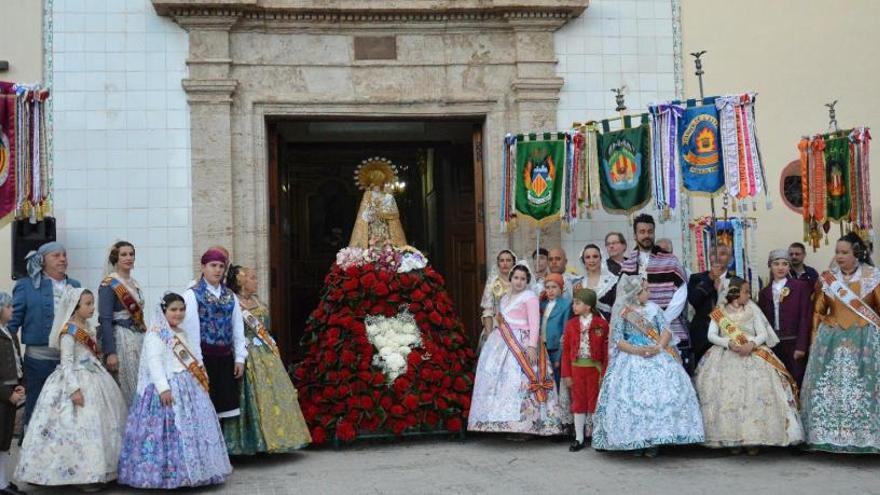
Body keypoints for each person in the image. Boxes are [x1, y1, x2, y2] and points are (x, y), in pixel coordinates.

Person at [15, 288, 127, 488]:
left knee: (99, 426)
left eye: (93, 303)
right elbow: (66, 363)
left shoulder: (88, 326)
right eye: (88, 304)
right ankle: (76, 475)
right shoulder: (69, 332)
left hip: (95, 377)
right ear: (75, 307)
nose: (92, 308)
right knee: (75, 428)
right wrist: (74, 389)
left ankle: (99, 471)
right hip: (74, 380)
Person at [118, 293, 231, 489]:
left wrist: (202, 374)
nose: (178, 313)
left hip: (188, 385)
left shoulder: (183, 332)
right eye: (173, 309)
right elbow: (154, 362)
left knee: (193, 429)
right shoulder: (155, 333)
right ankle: (166, 476)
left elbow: (195, 356)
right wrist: (163, 388)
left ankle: (196, 471)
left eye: (181, 309)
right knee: (167, 432)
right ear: (164, 311)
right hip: (166, 388)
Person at [591, 275, 704, 456]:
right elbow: (618, 340)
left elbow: (666, 331)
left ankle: (654, 441)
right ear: (636, 293)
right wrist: (637, 351)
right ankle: (635, 440)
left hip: (657, 353)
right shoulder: (624, 312)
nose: (649, 292)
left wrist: (658, 347)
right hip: (631, 356)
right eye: (646, 290)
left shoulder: (654, 309)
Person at [694, 277, 804, 454]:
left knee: (756, 395)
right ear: (735, 293)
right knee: (727, 397)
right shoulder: (719, 312)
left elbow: (762, 333)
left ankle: (753, 439)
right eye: (745, 291)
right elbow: (711, 335)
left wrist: (751, 344)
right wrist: (728, 343)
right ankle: (733, 440)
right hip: (726, 354)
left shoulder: (752, 309)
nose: (748, 295)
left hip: (753, 353)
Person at [801, 232, 880, 453]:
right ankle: (825, 437)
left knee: (864, 389)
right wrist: (814, 341)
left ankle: (867, 439)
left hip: (865, 340)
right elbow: (818, 312)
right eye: (837, 252)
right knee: (830, 389)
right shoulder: (828, 279)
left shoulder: (873, 277)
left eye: (844, 252)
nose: (839, 256)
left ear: (857, 253)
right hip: (831, 341)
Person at [223, 265, 311, 455]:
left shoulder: (257, 300)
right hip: (247, 355)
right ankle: (250, 443)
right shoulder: (233, 303)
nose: (256, 281)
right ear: (241, 282)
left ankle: (277, 438)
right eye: (252, 278)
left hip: (265, 353)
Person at [468, 261, 563, 436]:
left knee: (522, 384)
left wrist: (532, 346)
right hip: (501, 342)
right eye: (516, 278)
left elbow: (535, 324)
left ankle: (526, 426)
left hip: (523, 342)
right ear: (511, 279)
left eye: (523, 279)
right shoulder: (504, 297)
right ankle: (500, 423)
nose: (519, 281)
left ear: (527, 281)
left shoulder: (530, 297)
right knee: (498, 382)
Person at [8, 241, 81, 427]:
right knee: (37, 405)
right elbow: (11, 326)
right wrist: (11, 361)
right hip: (38, 361)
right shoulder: (25, 286)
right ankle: (31, 447)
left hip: (69, 359)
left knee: (66, 407)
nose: (62, 259)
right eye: (56, 256)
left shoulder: (75, 285)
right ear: (42, 260)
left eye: (64, 255)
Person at [181, 248, 247, 421]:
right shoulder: (192, 295)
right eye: (213, 265)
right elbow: (191, 331)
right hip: (204, 358)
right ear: (203, 267)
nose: (217, 270)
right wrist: (198, 363)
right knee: (204, 407)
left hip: (226, 358)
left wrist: (240, 357)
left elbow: (237, 327)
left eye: (221, 266)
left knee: (224, 410)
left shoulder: (230, 295)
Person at [619, 214, 690, 370]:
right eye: (642, 231)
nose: (646, 235)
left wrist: (661, 320)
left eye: (650, 231)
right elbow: (623, 299)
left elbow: (681, 294)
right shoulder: (628, 264)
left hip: (667, 327)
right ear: (635, 235)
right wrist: (640, 324)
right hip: (636, 332)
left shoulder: (670, 260)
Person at [98, 240, 146, 407]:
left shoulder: (134, 283)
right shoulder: (109, 284)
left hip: (138, 337)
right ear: (115, 258)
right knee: (127, 386)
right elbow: (105, 319)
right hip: (122, 338)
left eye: (131, 254)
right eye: (123, 254)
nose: (128, 258)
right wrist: (110, 352)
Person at [561, 288, 608, 452]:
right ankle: (579, 438)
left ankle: (597, 437)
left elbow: (606, 350)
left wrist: (604, 372)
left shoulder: (601, 324)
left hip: (594, 369)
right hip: (576, 369)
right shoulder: (571, 324)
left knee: (595, 402)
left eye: (577, 303)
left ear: (588, 306)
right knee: (578, 402)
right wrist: (566, 374)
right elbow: (566, 350)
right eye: (574, 302)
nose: (574, 306)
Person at [757, 249, 812, 386]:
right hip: (773, 344)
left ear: (789, 266)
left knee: (797, 380)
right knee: (778, 382)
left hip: (793, 342)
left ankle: (799, 407)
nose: (780, 268)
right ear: (770, 265)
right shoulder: (764, 293)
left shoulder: (800, 287)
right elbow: (762, 321)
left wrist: (801, 346)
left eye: (784, 264)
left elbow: (805, 317)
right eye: (776, 264)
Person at [687, 246, 732, 366]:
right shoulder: (696, 279)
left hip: (728, 334)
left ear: (730, 258)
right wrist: (710, 279)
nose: (717, 257)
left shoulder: (736, 281)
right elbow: (694, 300)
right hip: (702, 336)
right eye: (713, 254)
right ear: (709, 257)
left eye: (722, 253)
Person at [0, 293, 24, 495]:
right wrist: (7, 394)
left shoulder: (10, 332)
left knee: (6, 439)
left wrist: (20, 384)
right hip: (2, 395)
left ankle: (4, 482)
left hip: (11, 393)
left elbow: (17, 361)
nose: (12, 310)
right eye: (9, 306)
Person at [479, 250, 517, 350]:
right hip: (497, 326)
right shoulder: (493, 282)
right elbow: (488, 310)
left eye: (508, 260)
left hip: (517, 326)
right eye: (502, 260)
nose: (505, 263)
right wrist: (489, 334)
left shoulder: (519, 281)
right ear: (498, 263)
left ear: (514, 262)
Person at [540, 273, 570, 389]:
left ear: (561, 288)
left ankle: (557, 401)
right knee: (544, 376)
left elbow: (565, 331)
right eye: (548, 287)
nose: (550, 291)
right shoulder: (543, 304)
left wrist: (559, 356)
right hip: (543, 347)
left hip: (556, 348)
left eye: (554, 287)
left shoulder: (565, 305)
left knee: (556, 376)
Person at [572, 244, 617, 320]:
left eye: (595, 256)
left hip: (608, 326)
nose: (591, 260)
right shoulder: (579, 284)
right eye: (587, 257)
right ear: (583, 261)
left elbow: (619, 308)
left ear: (601, 258)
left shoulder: (612, 281)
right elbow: (576, 310)